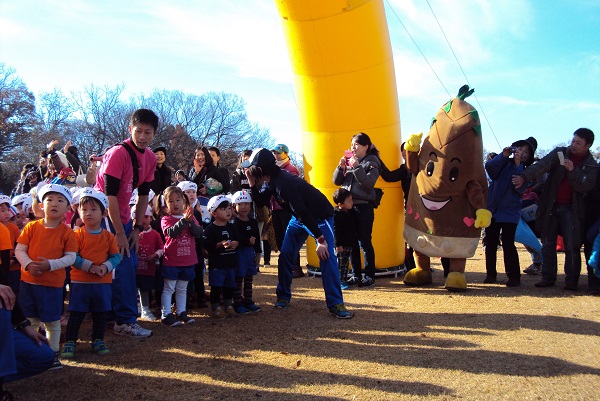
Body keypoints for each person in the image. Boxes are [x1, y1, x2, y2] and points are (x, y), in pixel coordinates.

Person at [244, 148, 353, 319]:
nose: (249, 170)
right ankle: (283, 296)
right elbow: (260, 201)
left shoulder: (284, 183)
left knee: (326, 257)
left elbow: (302, 211)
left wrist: (320, 240)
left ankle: (336, 304)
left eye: (251, 168)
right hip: (299, 218)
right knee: (286, 255)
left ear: (260, 168)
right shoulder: (270, 180)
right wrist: (251, 183)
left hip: (319, 217)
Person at [94, 108, 158, 337]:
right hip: (104, 216)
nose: (142, 136)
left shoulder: (150, 158)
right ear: (130, 129)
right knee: (121, 264)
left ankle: (116, 315)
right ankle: (124, 320)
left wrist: (138, 228)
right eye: (138, 131)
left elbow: (143, 196)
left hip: (124, 217)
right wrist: (119, 232)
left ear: (154, 134)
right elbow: (109, 196)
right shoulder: (117, 153)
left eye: (147, 132)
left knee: (127, 265)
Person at [514, 128, 597, 290]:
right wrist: (524, 177)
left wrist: (573, 171)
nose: (573, 145)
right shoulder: (561, 153)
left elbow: (585, 185)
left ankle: (572, 279)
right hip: (551, 206)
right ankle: (548, 277)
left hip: (572, 209)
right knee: (547, 244)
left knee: (572, 246)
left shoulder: (591, 165)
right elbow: (541, 165)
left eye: (578, 143)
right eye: (573, 140)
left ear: (588, 146)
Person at [14, 184, 78, 369]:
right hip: (28, 282)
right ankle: (34, 353)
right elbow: (20, 249)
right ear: (41, 205)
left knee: (52, 321)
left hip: (52, 284)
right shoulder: (31, 227)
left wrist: (49, 265)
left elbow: (71, 257)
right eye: (49, 199)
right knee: (30, 320)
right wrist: (28, 265)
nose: (54, 204)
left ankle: (53, 354)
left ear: (67, 208)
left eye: (60, 200)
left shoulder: (67, 232)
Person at [61, 188, 121, 359]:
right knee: (77, 312)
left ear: (103, 213)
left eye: (93, 209)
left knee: (100, 312)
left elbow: (116, 256)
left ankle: (98, 340)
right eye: (84, 209)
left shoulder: (108, 236)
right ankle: (71, 341)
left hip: (102, 282)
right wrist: (90, 267)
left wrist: (106, 267)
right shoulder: (76, 235)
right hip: (80, 282)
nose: (88, 213)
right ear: (78, 211)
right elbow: (73, 256)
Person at [484, 137, 537, 287]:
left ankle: (514, 277)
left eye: (526, 151)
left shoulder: (527, 171)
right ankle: (491, 274)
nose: (522, 152)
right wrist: (503, 156)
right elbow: (490, 168)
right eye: (520, 149)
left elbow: (517, 186)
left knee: (508, 243)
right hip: (493, 209)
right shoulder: (503, 162)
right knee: (491, 242)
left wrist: (517, 165)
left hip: (510, 211)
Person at [332, 132, 381, 287]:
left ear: (366, 146)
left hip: (363, 207)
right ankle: (356, 275)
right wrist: (341, 168)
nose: (353, 147)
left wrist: (357, 167)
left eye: (357, 144)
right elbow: (336, 181)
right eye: (352, 144)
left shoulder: (372, 161)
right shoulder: (349, 161)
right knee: (351, 242)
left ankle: (369, 275)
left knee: (364, 241)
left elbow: (368, 184)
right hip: (348, 208)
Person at [160, 186, 202, 326]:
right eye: (171, 201)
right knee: (169, 287)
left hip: (188, 260)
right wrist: (184, 220)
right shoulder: (166, 219)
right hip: (172, 260)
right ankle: (166, 314)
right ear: (166, 204)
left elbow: (197, 233)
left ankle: (181, 312)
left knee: (182, 288)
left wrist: (189, 221)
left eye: (178, 200)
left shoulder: (191, 217)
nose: (175, 203)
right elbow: (171, 232)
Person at [202, 195, 239, 319]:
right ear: (214, 213)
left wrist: (235, 243)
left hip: (230, 263)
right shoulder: (210, 229)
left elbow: (238, 239)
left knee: (229, 285)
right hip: (217, 264)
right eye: (223, 209)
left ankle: (228, 305)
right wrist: (219, 245)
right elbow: (206, 245)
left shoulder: (231, 226)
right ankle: (216, 307)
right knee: (216, 287)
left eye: (229, 208)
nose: (228, 211)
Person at [270, 144, 303, 278]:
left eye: (279, 152)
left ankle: (296, 266)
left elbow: (291, 189)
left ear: (286, 154)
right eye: (275, 153)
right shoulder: (274, 170)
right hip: (275, 207)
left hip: (286, 209)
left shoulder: (291, 169)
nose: (276, 155)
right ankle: (287, 264)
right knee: (280, 237)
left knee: (290, 236)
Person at [177, 181, 208, 309]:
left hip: (196, 248)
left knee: (198, 273)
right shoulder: (177, 213)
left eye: (193, 192)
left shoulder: (196, 213)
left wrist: (202, 248)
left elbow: (199, 232)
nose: (191, 195)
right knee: (186, 276)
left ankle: (200, 297)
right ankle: (188, 298)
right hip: (183, 248)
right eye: (187, 192)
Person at [231, 190, 262, 314]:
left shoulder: (253, 222)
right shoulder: (234, 223)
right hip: (239, 254)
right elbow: (237, 238)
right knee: (238, 279)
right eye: (240, 204)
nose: (243, 207)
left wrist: (258, 254)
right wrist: (247, 241)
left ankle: (249, 301)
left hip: (250, 253)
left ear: (250, 205)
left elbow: (257, 239)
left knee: (249, 279)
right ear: (234, 206)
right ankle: (237, 303)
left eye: (246, 204)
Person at [135, 205, 164, 320]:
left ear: (151, 218)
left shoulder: (155, 234)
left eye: (146, 216)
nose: (143, 220)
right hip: (134, 268)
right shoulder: (132, 233)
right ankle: (135, 309)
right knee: (133, 288)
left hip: (148, 268)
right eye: (141, 217)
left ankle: (145, 309)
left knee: (145, 289)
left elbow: (162, 248)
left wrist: (156, 255)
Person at [332, 188, 359, 290]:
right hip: (341, 245)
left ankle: (343, 279)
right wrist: (338, 245)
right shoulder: (337, 215)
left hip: (348, 243)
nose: (351, 203)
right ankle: (339, 280)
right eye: (348, 201)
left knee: (345, 263)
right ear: (340, 204)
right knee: (340, 263)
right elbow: (336, 231)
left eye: (351, 200)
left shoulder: (350, 213)